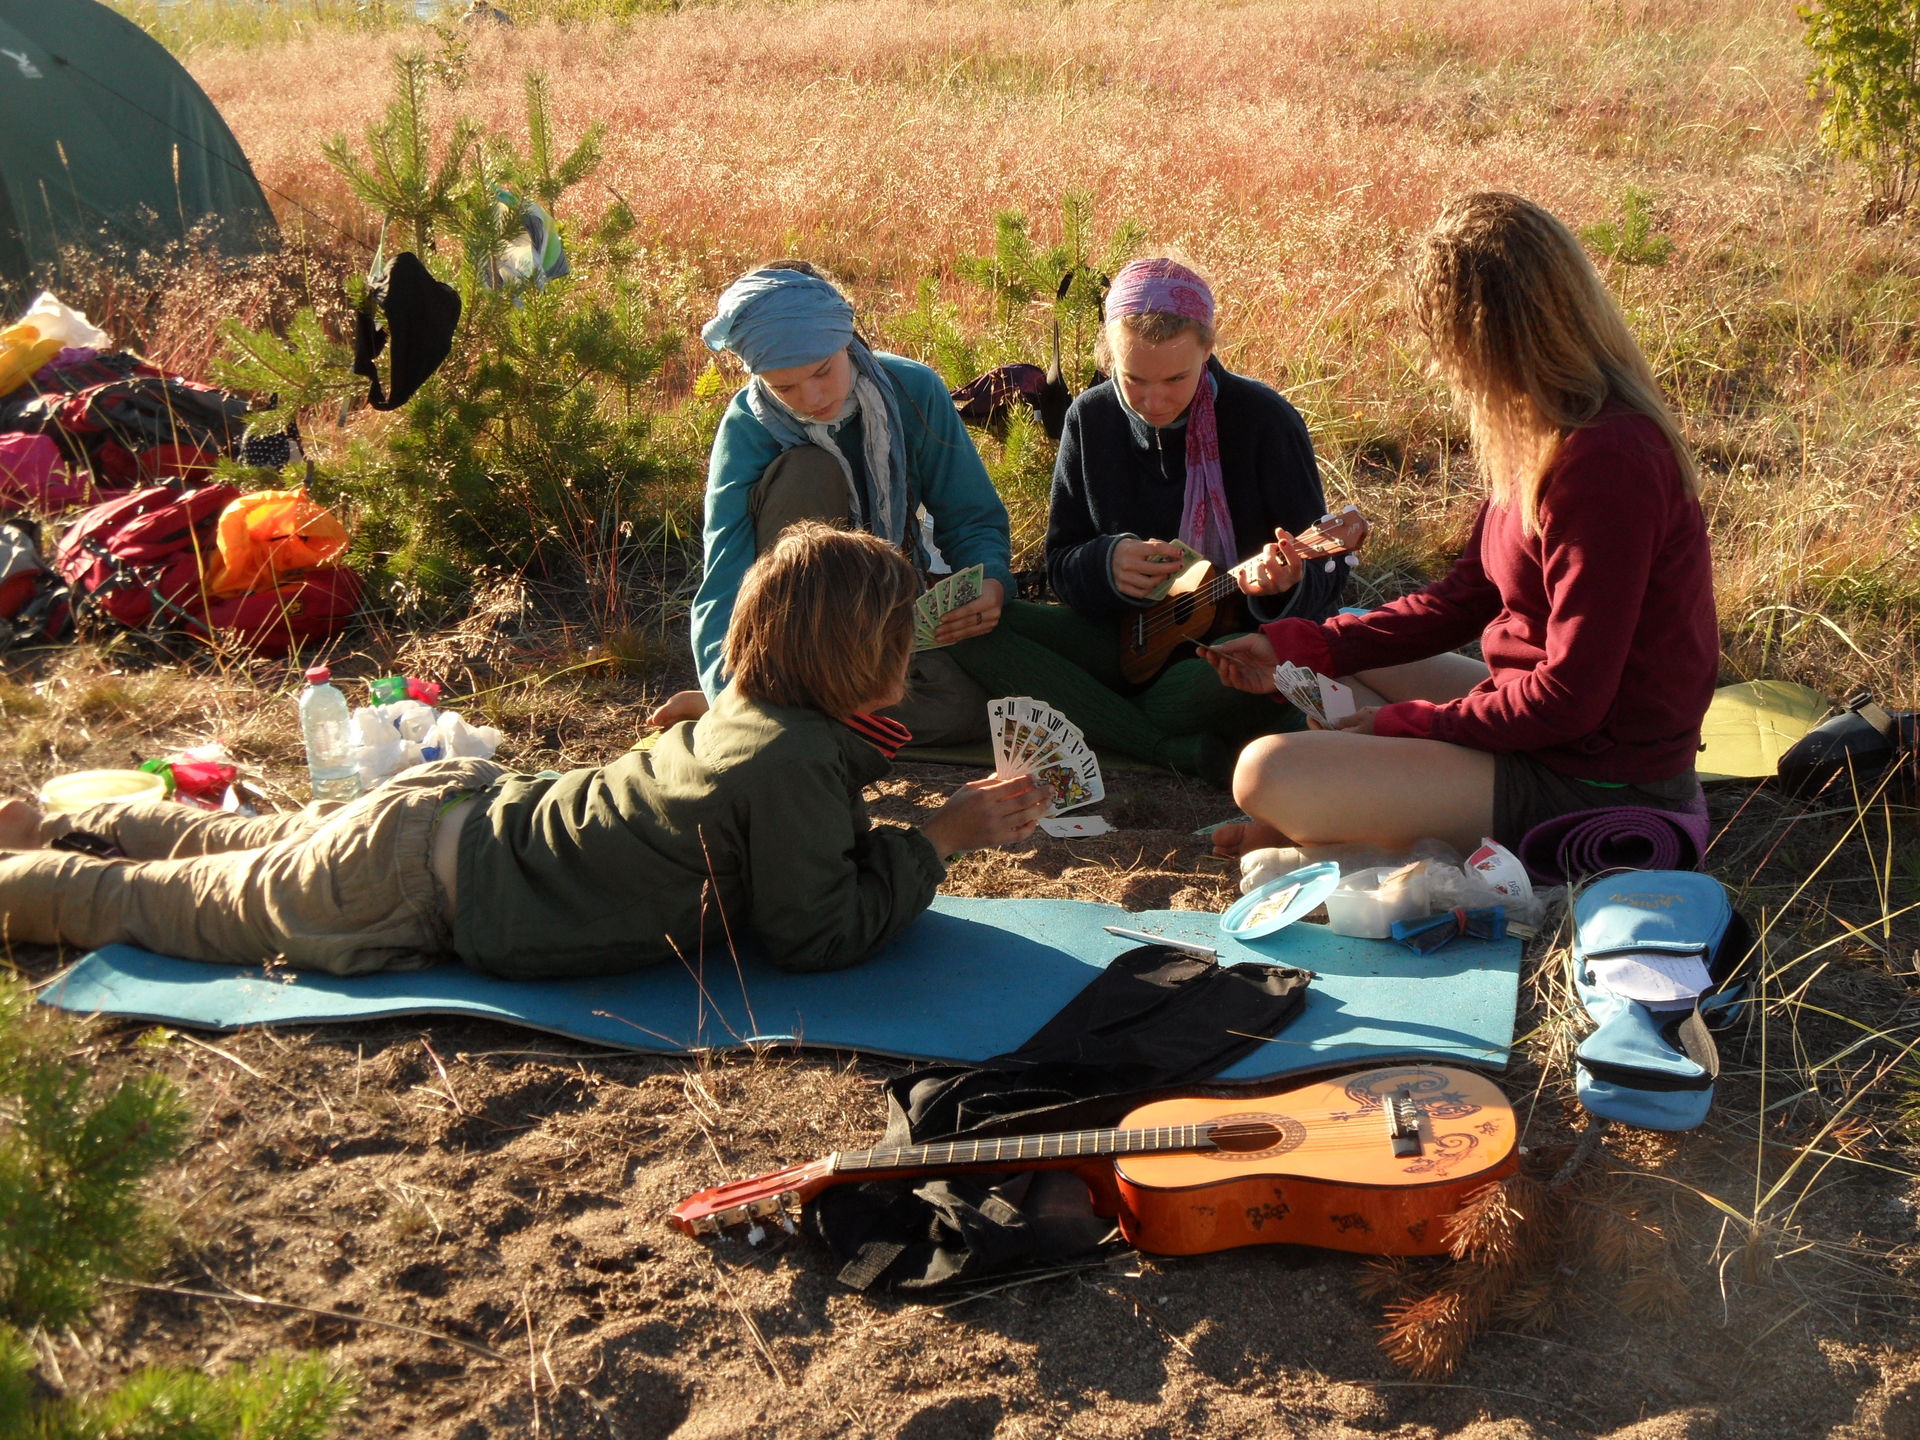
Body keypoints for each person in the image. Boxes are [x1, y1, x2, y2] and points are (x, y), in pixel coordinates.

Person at [0, 525, 1046, 979]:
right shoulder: (793, 763)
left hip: (445, 817)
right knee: (157, 906)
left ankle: (52, 819)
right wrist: (939, 840)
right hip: (412, 883)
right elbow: (818, 934)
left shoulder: (752, 709)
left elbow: (799, 811)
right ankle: (18, 871)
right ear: (855, 658)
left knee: (237, 844)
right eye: (899, 636)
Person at [1205, 192, 1718, 856]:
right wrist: (1298, 645)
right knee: (1339, 658)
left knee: (1265, 771)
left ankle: (1331, 827)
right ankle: (1340, 822)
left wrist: (1407, 725)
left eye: (1439, 343)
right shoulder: (1544, 429)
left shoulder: (1607, 462)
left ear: (1482, 338)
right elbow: (1465, 596)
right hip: (1544, 722)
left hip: (1599, 777)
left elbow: (1571, 698)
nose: (1436, 366)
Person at [947, 256, 1349, 780]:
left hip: (1224, 649)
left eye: (1176, 378)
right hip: (1119, 636)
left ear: (1208, 348)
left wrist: (1284, 588)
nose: (1154, 401)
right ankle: (1163, 747)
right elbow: (1061, 562)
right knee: (971, 628)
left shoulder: (1263, 420)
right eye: (1133, 378)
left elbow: (1328, 578)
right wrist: (1106, 562)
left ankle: (1113, 718)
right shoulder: (1090, 418)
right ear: (1109, 354)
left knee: (1218, 681)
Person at [648, 263, 1014, 745]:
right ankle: (760, 704)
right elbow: (726, 575)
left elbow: (971, 516)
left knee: (965, 708)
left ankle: (788, 710)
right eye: (784, 387)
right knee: (810, 469)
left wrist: (990, 580)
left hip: (884, 615)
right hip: (796, 631)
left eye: (823, 371)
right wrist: (726, 699)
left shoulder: (913, 390)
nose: (811, 397)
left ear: (847, 338)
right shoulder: (748, 426)